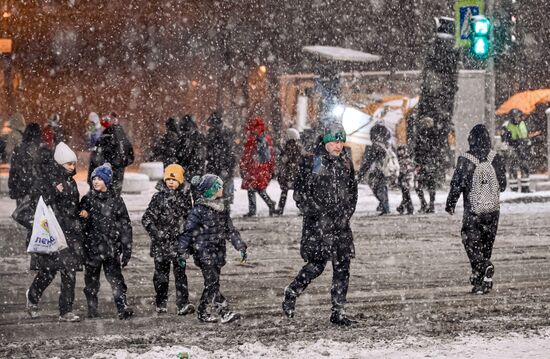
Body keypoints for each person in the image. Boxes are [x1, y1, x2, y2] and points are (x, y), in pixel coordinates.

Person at [282, 121, 358, 326]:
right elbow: (300, 193)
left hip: (340, 224)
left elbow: (352, 193)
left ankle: (338, 311)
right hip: (317, 225)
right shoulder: (311, 161)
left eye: (341, 141)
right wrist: (316, 213)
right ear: (325, 141)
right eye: (334, 141)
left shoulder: (345, 163)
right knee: (316, 265)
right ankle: (292, 291)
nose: (338, 146)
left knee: (342, 267)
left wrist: (345, 215)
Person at [176, 174, 247, 323]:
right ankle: (224, 312)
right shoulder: (198, 211)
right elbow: (187, 233)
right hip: (203, 253)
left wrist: (240, 245)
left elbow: (230, 230)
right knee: (213, 284)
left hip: (218, 252)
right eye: (219, 187)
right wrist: (182, 252)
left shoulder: (221, 209)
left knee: (211, 285)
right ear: (211, 190)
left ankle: (202, 312)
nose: (222, 189)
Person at [26, 141, 83, 322]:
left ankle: (66, 311)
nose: (72, 167)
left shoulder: (72, 182)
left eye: (73, 163)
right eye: (68, 164)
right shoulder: (48, 180)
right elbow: (41, 205)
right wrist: (54, 191)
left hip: (69, 233)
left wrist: (81, 213)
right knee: (48, 271)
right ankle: (33, 296)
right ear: (59, 163)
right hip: (52, 232)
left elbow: (72, 205)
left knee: (69, 272)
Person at [445, 124, 506, 295]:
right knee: (486, 245)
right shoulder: (496, 158)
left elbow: (456, 184)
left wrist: (451, 203)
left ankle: (483, 267)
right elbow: (503, 186)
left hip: (473, 210)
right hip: (493, 211)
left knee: (471, 242)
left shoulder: (465, 159)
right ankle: (482, 281)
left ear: (471, 139)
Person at [80, 163, 134, 320]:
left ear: (107, 181)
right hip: (92, 248)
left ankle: (122, 306)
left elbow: (125, 226)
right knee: (91, 282)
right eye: (94, 179)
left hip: (111, 249)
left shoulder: (116, 200)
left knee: (116, 280)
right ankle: (92, 308)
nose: (96, 182)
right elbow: (80, 225)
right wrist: (84, 217)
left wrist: (127, 248)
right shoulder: (87, 199)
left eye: (99, 179)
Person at [142, 164, 195, 315]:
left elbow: (189, 219)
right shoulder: (158, 198)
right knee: (161, 276)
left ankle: (182, 303)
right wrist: (155, 232)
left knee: (180, 275)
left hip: (179, 245)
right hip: (161, 244)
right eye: (168, 179)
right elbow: (147, 218)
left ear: (180, 181)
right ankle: (161, 302)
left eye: (175, 179)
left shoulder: (185, 198)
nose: (171, 182)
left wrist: (187, 238)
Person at [88, 112, 134, 196]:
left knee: (102, 203)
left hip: (103, 178)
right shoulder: (123, 138)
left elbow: (96, 160)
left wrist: (107, 166)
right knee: (115, 201)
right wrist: (119, 165)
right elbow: (131, 157)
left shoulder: (104, 139)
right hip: (118, 178)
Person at [239, 117, 277, 217]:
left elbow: (247, 154)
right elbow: (271, 155)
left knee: (253, 188)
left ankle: (254, 209)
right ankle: (269, 204)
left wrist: (243, 165)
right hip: (261, 167)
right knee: (258, 188)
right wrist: (271, 167)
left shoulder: (252, 139)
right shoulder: (266, 138)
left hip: (254, 168)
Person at [357, 123, 393, 215]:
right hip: (386, 170)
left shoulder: (375, 147)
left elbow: (368, 161)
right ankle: (385, 206)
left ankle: (385, 207)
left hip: (378, 170)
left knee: (378, 188)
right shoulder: (387, 146)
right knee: (382, 188)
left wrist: (361, 173)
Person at [204, 112, 237, 211]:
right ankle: (224, 212)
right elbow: (230, 152)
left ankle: (220, 213)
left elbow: (213, 152)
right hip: (222, 166)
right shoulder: (225, 133)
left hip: (218, 166)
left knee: (217, 191)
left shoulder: (215, 134)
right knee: (223, 192)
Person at [501, 109, 532, 192]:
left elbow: (525, 135)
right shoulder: (507, 125)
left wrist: (526, 142)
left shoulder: (522, 123)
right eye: (517, 116)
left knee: (525, 167)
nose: (519, 118)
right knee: (513, 169)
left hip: (522, 149)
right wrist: (510, 140)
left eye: (520, 116)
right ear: (513, 117)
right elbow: (504, 138)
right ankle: (514, 189)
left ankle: (525, 188)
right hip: (513, 149)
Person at [275, 128, 304, 215]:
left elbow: (285, 159)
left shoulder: (290, 147)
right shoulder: (298, 146)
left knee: (285, 191)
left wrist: (282, 156)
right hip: (295, 172)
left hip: (290, 172)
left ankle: (280, 209)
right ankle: (302, 209)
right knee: (298, 192)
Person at [396, 144, 415, 215]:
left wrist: (404, 173)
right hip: (403, 178)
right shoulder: (400, 159)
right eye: (399, 150)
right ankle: (403, 208)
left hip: (407, 179)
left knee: (406, 194)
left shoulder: (406, 159)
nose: (400, 152)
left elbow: (408, 169)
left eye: (401, 150)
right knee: (405, 195)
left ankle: (408, 209)